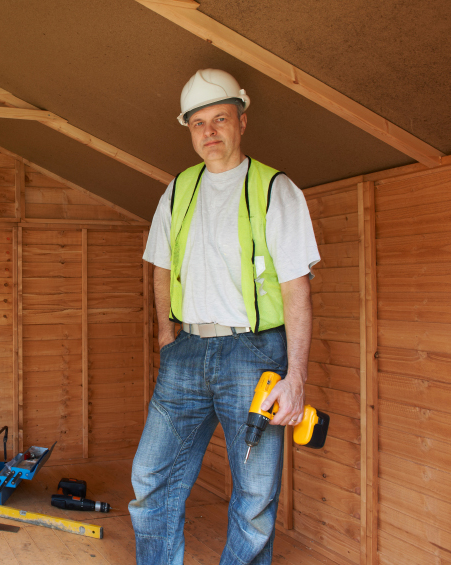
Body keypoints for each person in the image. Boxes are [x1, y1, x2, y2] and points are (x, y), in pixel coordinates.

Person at [129, 68, 320, 565]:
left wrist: (296, 377)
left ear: (242, 121)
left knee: (254, 499)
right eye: (198, 123)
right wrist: (166, 335)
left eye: (220, 118)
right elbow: (160, 265)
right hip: (186, 352)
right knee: (150, 478)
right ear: (189, 130)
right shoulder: (177, 190)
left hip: (254, 356)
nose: (209, 131)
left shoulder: (276, 190)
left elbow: (296, 289)